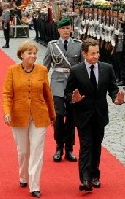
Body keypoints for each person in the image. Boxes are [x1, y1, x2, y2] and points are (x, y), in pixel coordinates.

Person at [65, 38, 124, 192]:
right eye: (92, 53)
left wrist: (116, 98)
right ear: (84, 54)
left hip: (100, 115)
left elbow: (112, 88)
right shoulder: (76, 70)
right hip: (83, 115)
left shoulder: (107, 68)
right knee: (86, 146)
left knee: (96, 146)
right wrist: (73, 98)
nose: (96, 56)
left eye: (97, 53)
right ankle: (85, 179)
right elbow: (68, 92)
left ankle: (94, 176)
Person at [2, 41, 56, 198]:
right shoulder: (12, 70)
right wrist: (6, 112)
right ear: (21, 55)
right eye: (29, 53)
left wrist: (52, 115)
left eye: (34, 53)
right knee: (24, 150)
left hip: (39, 115)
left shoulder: (42, 70)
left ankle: (34, 185)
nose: (33, 56)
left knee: (37, 150)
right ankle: (23, 176)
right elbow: (6, 94)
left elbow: (48, 94)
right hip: (19, 115)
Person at [43, 17, 82, 162]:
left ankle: (69, 149)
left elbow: (82, 67)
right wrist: (41, 83)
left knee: (71, 117)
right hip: (57, 83)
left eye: (68, 28)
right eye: (63, 28)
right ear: (58, 30)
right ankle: (59, 147)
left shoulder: (78, 45)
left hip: (73, 84)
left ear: (71, 29)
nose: (66, 31)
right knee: (58, 117)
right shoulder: (52, 45)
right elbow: (45, 66)